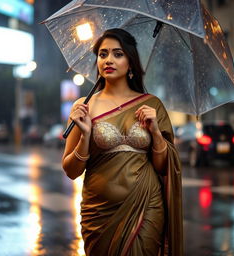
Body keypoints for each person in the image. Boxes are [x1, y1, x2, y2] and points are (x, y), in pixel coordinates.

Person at [62, 28, 183, 256]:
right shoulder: (83, 108)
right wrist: (86, 136)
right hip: (99, 215)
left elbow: (162, 167)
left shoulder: (152, 105)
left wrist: (155, 133)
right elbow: (70, 170)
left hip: (146, 206)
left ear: (130, 61)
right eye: (103, 54)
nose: (109, 60)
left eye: (118, 54)